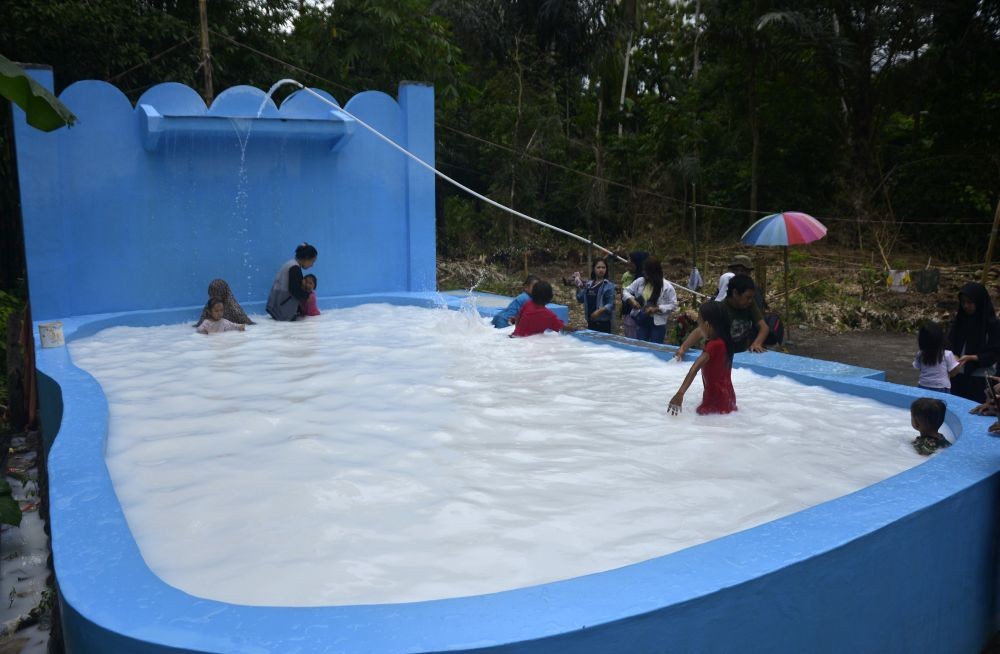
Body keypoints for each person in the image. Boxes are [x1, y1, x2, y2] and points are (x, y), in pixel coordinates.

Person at [674, 274, 768, 359]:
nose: (750, 300)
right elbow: (700, 330)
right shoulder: (721, 309)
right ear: (735, 293)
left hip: (741, 355)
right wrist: (683, 348)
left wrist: (757, 343)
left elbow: (764, 327)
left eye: (752, 297)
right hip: (722, 355)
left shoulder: (749, 304)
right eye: (747, 297)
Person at [667, 301, 737, 415]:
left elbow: (694, 368)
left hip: (714, 398)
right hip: (728, 396)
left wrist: (680, 393)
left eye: (699, 322)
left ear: (708, 325)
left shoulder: (713, 345)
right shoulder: (726, 341)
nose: (698, 326)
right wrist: (683, 348)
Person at [948, 282, 1000, 402]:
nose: (966, 306)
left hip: (980, 378)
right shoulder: (960, 321)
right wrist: (953, 355)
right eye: (963, 302)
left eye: (970, 302)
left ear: (979, 302)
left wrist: (973, 357)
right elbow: (949, 343)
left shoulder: (992, 325)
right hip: (957, 375)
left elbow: (995, 354)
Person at [622, 257, 677, 343]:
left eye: (646, 271)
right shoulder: (640, 281)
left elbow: (673, 305)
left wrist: (657, 308)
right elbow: (625, 291)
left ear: (653, 272)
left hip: (658, 323)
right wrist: (631, 300)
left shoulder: (667, 287)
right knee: (641, 345)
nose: (644, 273)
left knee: (655, 347)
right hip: (642, 319)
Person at [913, 321, 969, 393]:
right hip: (942, 387)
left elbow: (920, 369)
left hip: (923, 385)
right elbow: (953, 373)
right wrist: (959, 364)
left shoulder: (920, 354)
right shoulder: (947, 354)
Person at [267, 243, 318, 321]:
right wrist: (307, 296)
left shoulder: (291, 264)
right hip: (282, 310)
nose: (312, 265)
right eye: (312, 261)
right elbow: (294, 290)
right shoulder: (294, 268)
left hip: (277, 306)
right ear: (306, 258)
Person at [576, 258, 615, 333]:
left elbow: (611, 304)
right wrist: (577, 284)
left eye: (603, 267)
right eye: (598, 267)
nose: (601, 270)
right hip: (590, 322)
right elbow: (580, 299)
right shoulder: (589, 284)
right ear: (594, 269)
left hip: (603, 323)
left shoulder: (608, 285)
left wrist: (599, 312)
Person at [620, 251, 648, 338]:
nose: (628, 262)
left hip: (642, 319)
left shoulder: (644, 280)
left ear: (638, 263)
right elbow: (624, 291)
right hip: (629, 317)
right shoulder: (628, 276)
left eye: (631, 260)